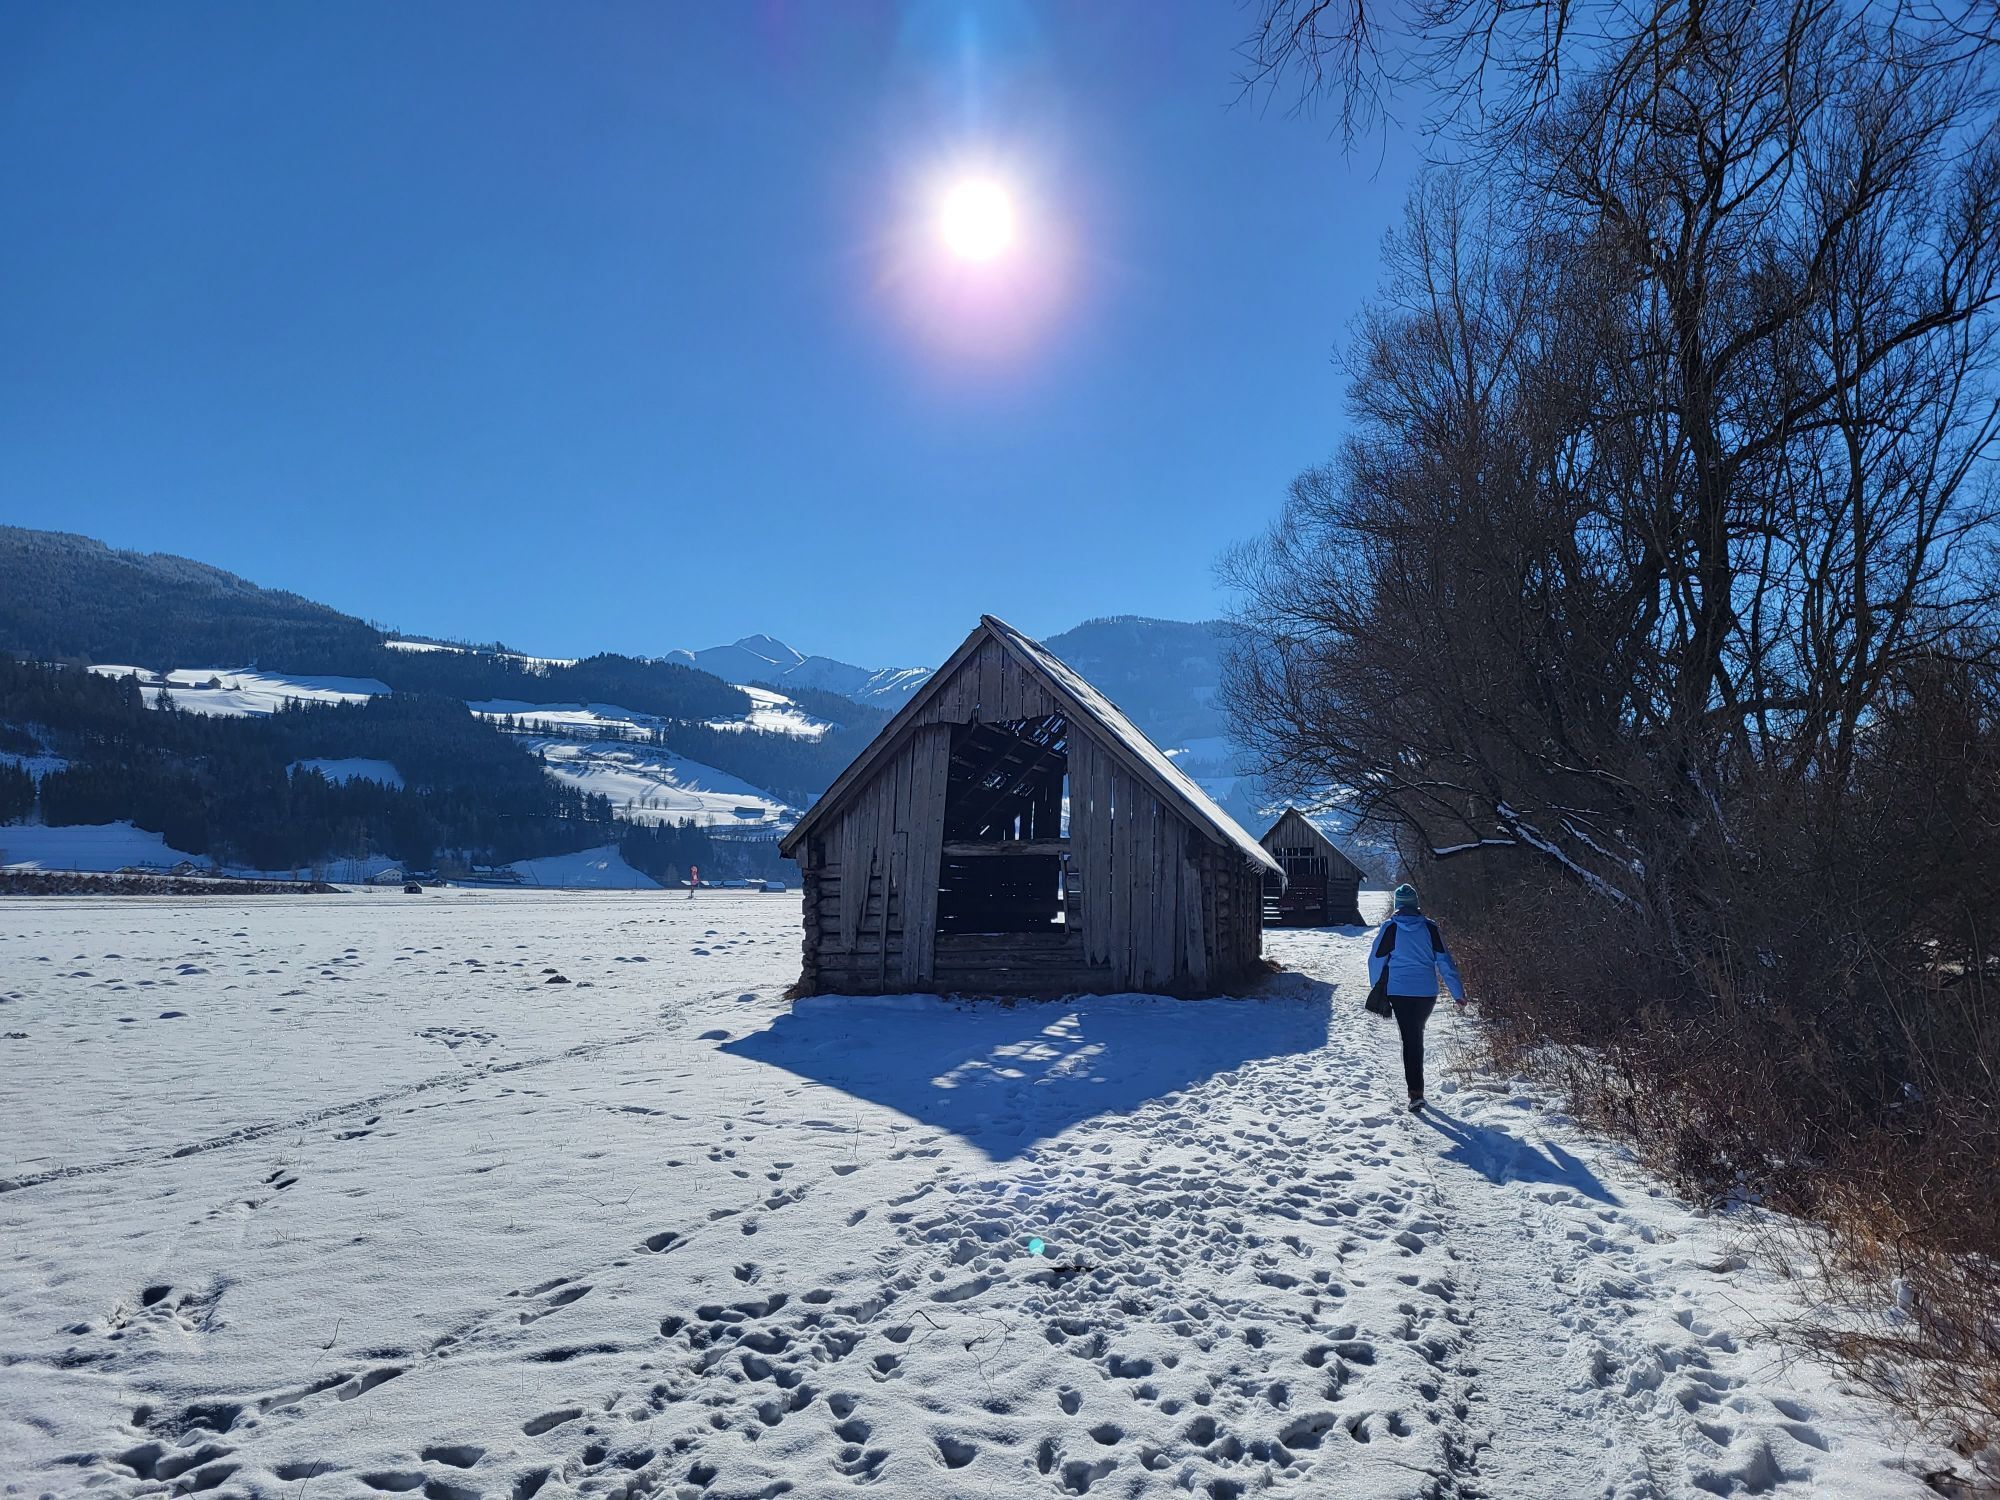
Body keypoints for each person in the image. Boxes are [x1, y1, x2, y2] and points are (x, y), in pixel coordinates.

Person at [1367, 883, 1465, 1113]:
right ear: (1416, 904)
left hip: (1399, 991)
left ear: (1398, 905)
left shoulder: (1390, 928)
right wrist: (1458, 993)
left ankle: (1416, 1094)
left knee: (1410, 1037)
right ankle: (1416, 1092)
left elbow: (1375, 960)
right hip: (1426, 993)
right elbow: (1445, 962)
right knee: (1414, 1035)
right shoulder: (1430, 928)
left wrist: (1376, 988)